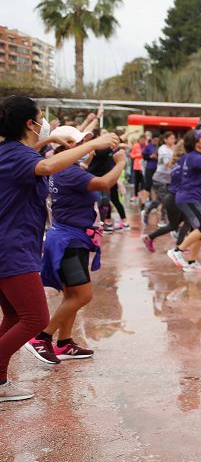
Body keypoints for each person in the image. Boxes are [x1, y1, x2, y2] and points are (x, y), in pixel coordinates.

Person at [0, 95, 118, 402]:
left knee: (14, 317)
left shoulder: (11, 151)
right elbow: (48, 164)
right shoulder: (21, 156)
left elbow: (36, 156)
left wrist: (50, 136)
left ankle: (5, 374)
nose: (44, 124)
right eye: (41, 119)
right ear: (29, 123)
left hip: (14, 245)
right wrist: (93, 144)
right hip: (12, 249)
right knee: (36, 319)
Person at [26, 130, 126, 364]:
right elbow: (104, 183)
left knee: (71, 295)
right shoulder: (70, 172)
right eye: (80, 141)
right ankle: (42, 338)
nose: (86, 144)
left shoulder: (58, 167)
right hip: (70, 241)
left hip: (65, 238)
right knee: (83, 295)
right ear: (67, 145)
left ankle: (64, 343)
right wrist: (120, 163)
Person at [166, 130, 201, 273]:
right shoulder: (195, 157)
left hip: (193, 197)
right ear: (196, 143)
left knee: (198, 231)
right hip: (188, 198)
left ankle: (191, 262)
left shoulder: (194, 156)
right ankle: (177, 251)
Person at [144, 131, 177, 226]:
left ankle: (162, 218)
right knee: (162, 199)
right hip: (160, 178)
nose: (173, 140)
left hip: (170, 178)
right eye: (170, 138)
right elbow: (168, 164)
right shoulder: (163, 149)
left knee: (167, 199)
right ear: (165, 139)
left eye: (173, 138)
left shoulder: (175, 149)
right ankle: (148, 212)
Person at [129, 136, 145, 204]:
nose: (142, 141)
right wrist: (139, 155)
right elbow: (131, 155)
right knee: (136, 182)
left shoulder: (146, 145)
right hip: (136, 166)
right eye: (141, 139)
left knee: (143, 182)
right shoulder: (135, 145)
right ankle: (135, 195)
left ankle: (142, 195)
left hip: (144, 167)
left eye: (144, 140)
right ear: (139, 139)